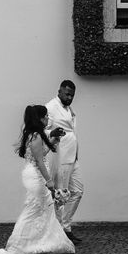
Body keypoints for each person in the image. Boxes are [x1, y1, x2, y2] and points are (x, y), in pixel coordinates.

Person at [0, 105, 75, 254]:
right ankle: (20, 244)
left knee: (43, 209)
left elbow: (40, 155)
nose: (48, 119)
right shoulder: (36, 136)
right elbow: (40, 161)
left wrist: (54, 141)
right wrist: (49, 181)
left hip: (35, 173)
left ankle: (40, 242)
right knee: (34, 209)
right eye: (46, 116)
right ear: (40, 118)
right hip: (36, 176)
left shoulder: (35, 135)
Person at [46, 79, 84, 244]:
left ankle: (64, 226)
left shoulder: (70, 109)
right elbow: (41, 128)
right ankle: (61, 231)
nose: (69, 97)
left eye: (72, 95)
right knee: (61, 195)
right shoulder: (50, 107)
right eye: (67, 94)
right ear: (59, 91)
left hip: (73, 156)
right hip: (60, 156)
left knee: (77, 191)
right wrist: (51, 133)